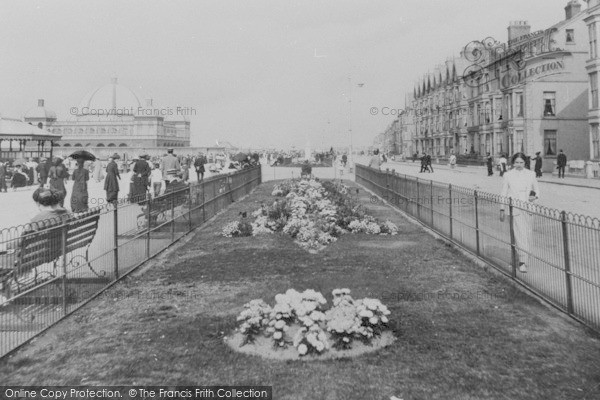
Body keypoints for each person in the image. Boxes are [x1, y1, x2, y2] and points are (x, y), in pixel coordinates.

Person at [499, 152, 540, 273]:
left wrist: (535, 196)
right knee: (519, 235)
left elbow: (536, 189)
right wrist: (502, 208)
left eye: (521, 162)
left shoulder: (531, 174)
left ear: (525, 163)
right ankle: (522, 262)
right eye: (516, 162)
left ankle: (525, 258)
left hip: (528, 208)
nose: (519, 165)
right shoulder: (508, 175)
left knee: (527, 234)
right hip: (515, 208)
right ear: (513, 163)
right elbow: (504, 192)